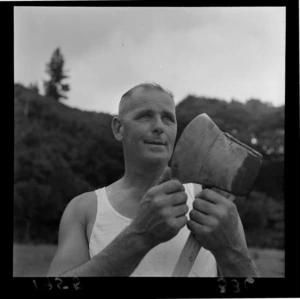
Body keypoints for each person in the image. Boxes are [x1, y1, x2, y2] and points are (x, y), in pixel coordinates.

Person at [48, 82, 259, 277]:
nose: (159, 126)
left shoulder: (211, 202)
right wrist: (139, 236)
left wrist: (232, 252)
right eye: (145, 116)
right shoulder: (84, 209)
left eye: (168, 118)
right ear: (119, 128)